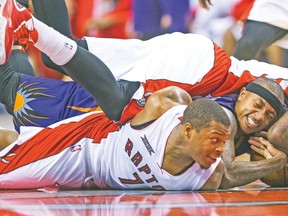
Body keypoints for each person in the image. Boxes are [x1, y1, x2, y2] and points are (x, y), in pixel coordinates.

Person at [1, 0, 287, 190]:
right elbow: (249, 45)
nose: (261, 118)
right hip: (206, 71)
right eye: (263, 109)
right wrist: (277, 161)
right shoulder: (250, 109)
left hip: (201, 69)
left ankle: (19, 14)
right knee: (118, 103)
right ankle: (29, 25)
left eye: (268, 115)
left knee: (61, 56)